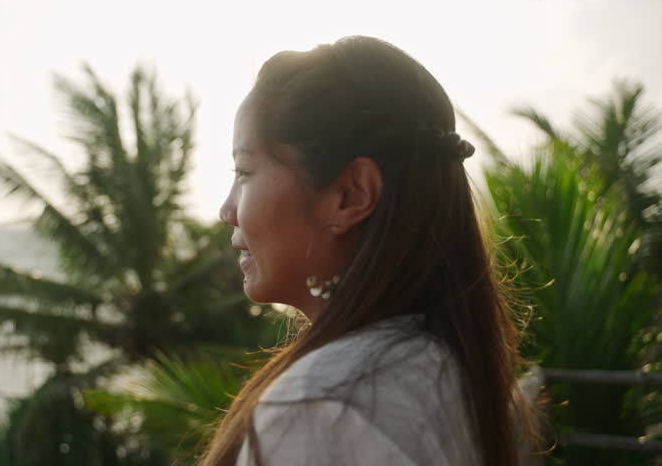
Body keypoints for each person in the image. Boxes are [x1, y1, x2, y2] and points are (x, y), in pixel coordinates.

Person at [203, 36, 532, 465]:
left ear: (351, 196)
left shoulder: (324, 408)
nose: (227, 210)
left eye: (244, 171)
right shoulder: (437, 363)